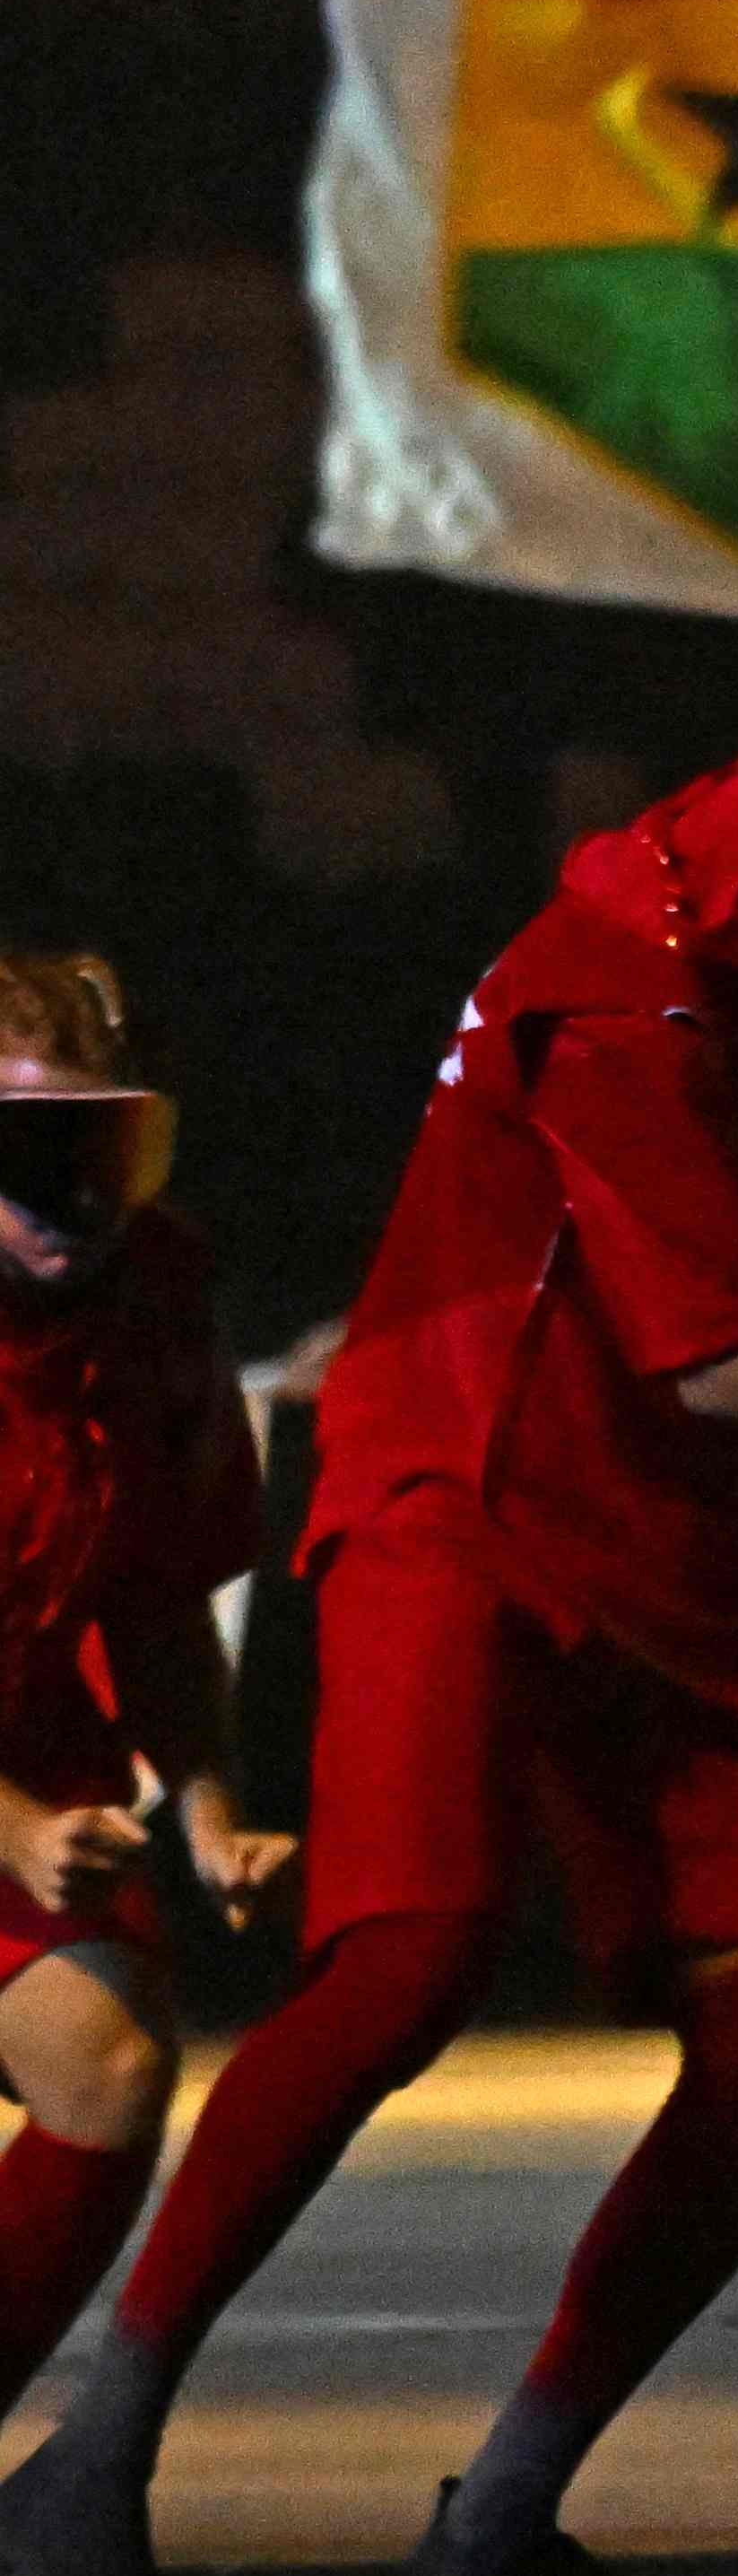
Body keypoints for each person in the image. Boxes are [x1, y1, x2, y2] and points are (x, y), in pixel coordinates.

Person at [0, 684, 738, 2576]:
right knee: (406, 1959)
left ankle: (503, 2509)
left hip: (693, 1531)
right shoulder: (620, 985)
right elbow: (715, 1349)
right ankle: (93, 2456)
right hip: (473, 1496)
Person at [0, 956, 284, 2417]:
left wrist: (208, 1808)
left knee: (106, 2065)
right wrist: (13, 1831)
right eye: (30, 1147)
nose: (76, 1194)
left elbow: (161, 1592)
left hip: (29, 1735)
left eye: (106, 1142)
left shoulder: (154, 1296)